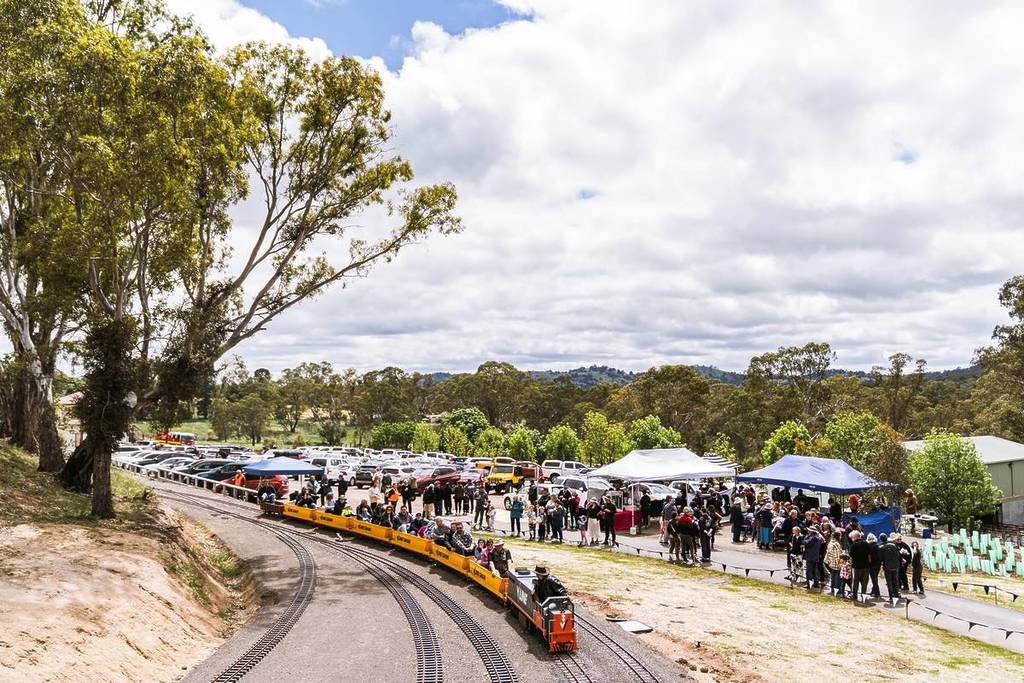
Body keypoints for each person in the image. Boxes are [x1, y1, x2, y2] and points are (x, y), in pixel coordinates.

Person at [848, 530, 871, 602]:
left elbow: (850, 555)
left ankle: (854, 596)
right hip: (866, 566)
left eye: (852, 538)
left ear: (855, 537)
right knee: (864, 583)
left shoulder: (854, 545)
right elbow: (869, 554)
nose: (851, 539)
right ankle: (863, 596)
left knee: (855, 583)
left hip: (856, 567)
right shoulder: (866, 543)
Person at [879, 533, 901, 601]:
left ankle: (891, 597)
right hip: (896, 565)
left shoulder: (881, 547)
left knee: (889, 582)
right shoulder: (893, 545)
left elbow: (880, 558)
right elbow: (898, 555)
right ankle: (896, 594)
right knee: (895, 581)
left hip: (887, 566)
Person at [867, 532, 882, 598]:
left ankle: (877, 593)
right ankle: (873, 591)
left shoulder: (868, 547)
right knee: (875, 578)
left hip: (871, 565)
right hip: (878, 565)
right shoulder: (877, 546)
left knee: (874, 580)